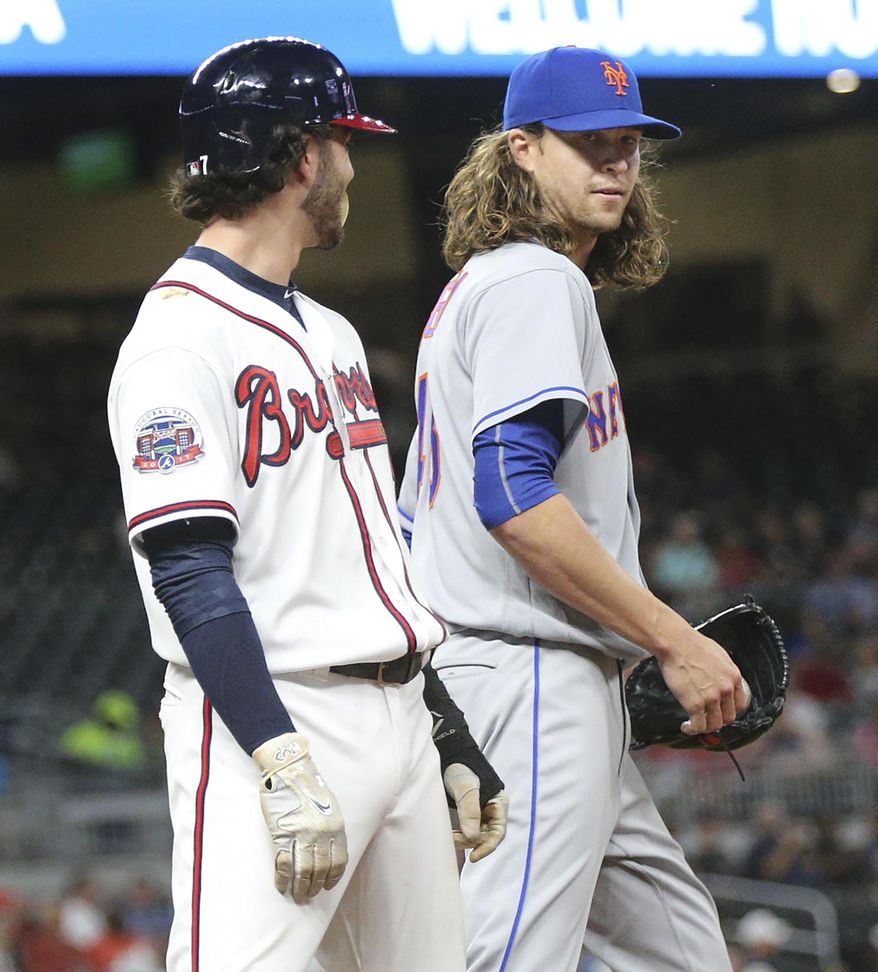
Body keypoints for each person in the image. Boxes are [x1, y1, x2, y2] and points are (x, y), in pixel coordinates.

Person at [107, 37, 507, 972]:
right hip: (272, 716)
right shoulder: (177, 339)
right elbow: (189, 567)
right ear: (298, 157)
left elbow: (365, 559)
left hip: (397, 708)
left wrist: (439, 723)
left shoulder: (329, 331)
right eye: (342, 140)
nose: (352, 164)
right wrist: (277, 758)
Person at [397, 46, 750, 971]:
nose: (616, 162)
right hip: (530, 673)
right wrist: (673, 637)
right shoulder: (531, 280)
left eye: (629, 141)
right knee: (508, 956)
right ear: (520, 149)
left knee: (682, 952)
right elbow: (513, 498)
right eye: (588, 142)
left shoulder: (480, 288)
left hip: (533, 675)